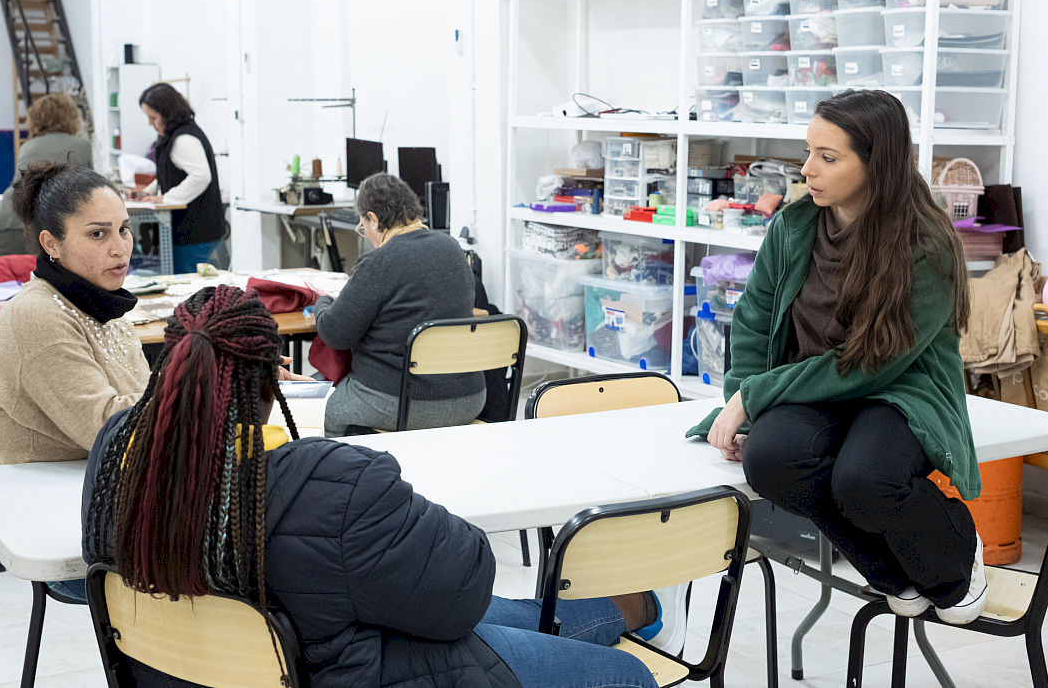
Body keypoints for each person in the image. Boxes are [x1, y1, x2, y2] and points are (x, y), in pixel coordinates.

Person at [82, 285, 683, 688]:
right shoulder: (330, 485)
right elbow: (464, 593)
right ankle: (631, 613)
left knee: (489, 614)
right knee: (624, 675)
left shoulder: (116, 453)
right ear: (270, 383)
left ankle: (629, 609)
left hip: (191, 672)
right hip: (352, 671)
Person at [688, 89, 987, 626]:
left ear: (878, 163)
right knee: (770, 461)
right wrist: (744, 406)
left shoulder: (927, 245)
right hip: (810, 388)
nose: (807, 170)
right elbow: (754, 323)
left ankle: (956, 558)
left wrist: (753, 397)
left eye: (828, 157)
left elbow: (872, 363)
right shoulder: (794, 226)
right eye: (808, 153)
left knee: (865, 482)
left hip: (898, 390)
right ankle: (891, 572)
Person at [0, 162, 147, 466]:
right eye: (98, 234)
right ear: (52, 244)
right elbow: (107, 428)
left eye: (123, 229)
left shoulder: (101, 303)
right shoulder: (36, 315)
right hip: (52, 490)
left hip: (106, 476)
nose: (120, 248)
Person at [314, 173, 487, 436]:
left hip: (399, 401)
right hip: (469, 398)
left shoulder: (379, 262)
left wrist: (323, 300)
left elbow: (335, 333)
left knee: (320, 413)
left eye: (363, 227)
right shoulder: (453, 249)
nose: (366, 234)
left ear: (373, 218)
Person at [137, 83, 225, 273]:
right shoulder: (174, 136)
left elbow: (201, 176)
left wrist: (166, 198)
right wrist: (146, 193)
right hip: (191, 231)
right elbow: (169, 172)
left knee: (187, 284)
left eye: (153, 118)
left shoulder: (184, 140)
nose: (150, 123)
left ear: (167, 113)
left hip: (194, 231)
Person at [0, 93, 93, 256]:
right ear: (71, 117)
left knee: (9, 272)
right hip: (49, 225)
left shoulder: (27, 146)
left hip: (6, 221)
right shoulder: (82, 146)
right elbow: (94, 192)